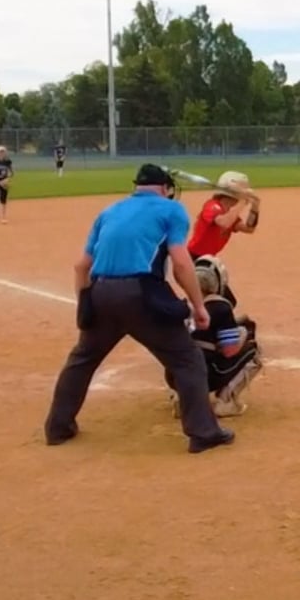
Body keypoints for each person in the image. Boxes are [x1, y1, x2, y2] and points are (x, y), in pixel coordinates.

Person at [43, 164, 234, 454]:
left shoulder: (109, 212)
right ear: (165, 188)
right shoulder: (171, 210)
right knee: (187, 360)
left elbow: (81, 266)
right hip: (142, 294)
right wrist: (198, 305)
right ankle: (203, 432)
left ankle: (58, 427)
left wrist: (86, 305)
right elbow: (182, 264)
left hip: (101, 291)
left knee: (82, 360)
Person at [169, 258, 262, 420]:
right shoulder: (220, 307)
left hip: (173, 375)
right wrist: (243, 334)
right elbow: (229, 350)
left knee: (183, 354)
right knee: (253, 351)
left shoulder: (184, 306)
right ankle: (226, 401)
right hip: (205, 375)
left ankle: (183, 400)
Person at [186, 171, 259, 263]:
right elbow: (224, 223)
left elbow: (249, 228)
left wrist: (255, 207)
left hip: (208, 258)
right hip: (192, 257)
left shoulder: (229, 214)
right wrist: (242, 201)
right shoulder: (212, 206)